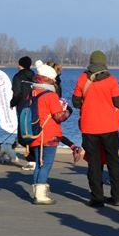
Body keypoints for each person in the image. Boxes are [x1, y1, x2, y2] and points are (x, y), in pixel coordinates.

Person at [72, 50, 119, 207]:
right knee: (113, 163)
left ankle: (97, 198)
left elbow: (75, 102)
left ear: (91, 62)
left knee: (94, 164)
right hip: (109, 127)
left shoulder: (83, 78)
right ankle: (118, 197)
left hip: (89, 127)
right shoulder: (111, 80)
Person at [27, 62, 71, 205]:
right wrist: (68, 111)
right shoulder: (50, 95)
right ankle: (41, 195)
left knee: (39, 165)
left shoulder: (32, 92)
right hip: (49, 134)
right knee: (46, 165)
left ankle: (36, 193)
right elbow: (59, 117)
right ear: (50, 79)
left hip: (35, 133)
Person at [50, 62, 83, 162]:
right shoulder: (58, 81)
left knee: (51, 133)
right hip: (59, 110)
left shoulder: (52, 83)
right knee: (56, 133)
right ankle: (74, 147)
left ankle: (36, 157)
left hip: (52, 110)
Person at [9, 55, 37, 167]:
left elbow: (16, 93)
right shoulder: (34, 76)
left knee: (23, 134)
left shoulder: (18, 77)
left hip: (22, 107)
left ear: (20, 65)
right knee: (32, 131)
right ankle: (34, 157)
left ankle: (32, 159)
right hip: (34, 106)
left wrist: (12, 103)